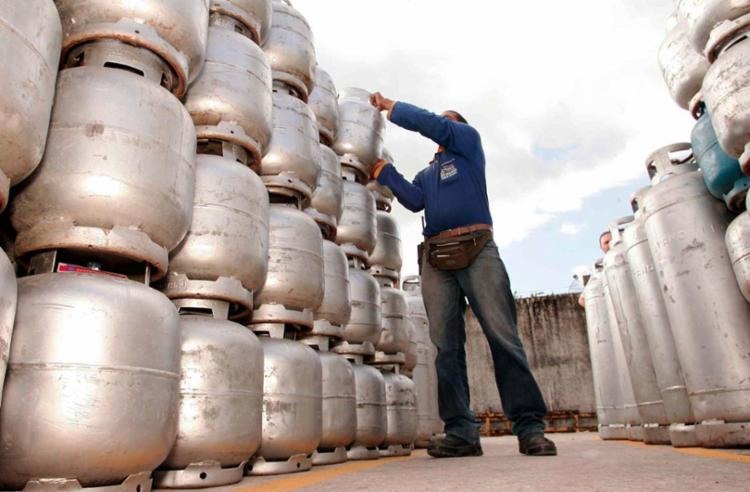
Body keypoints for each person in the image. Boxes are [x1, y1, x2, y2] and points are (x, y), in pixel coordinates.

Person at [369, 92, 557, 458]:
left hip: (477, 248)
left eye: (449, 121)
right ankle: (461, 432)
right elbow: (413, 200)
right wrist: (386, 173)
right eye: (445, 122)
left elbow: (434, 125)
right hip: (437, 258)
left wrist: (393, 108)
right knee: (446, 349)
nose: (445, 125)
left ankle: (530, 427)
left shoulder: (469, 146)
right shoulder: (428, 173)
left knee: (503, 337)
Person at [578, 230, 613, 307]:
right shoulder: (599, 271)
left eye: (612, 240)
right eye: (606, 242)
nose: (610, 243)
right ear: (602, 247)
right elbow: (582, 300)